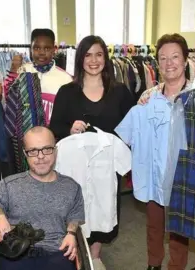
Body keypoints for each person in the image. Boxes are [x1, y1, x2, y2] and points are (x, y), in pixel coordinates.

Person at [136, 33, 195, 270]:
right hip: (156, 171)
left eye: (175, 57)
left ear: (186, 61)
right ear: (157, 63)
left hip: (184, 172)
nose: (169, 63)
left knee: (178, 229)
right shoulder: (148, 96)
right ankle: (153, 264)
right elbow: (138, 137)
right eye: (163, 58)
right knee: (154, 223)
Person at [50, 35, 134, 270]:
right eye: (88, 55)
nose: (94, 60)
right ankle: (74, 251)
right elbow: (53, 126)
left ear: (106, 59)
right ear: (80, 59)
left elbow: (131, 127)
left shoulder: (120, 92)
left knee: (103, 207)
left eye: (99, 54)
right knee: (74, 205)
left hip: (107, 165)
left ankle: (95, 256)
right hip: (75, 163)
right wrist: (69, 129)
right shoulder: (67, 92)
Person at [0, 126, 84, 270]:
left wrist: (71, 233)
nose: (41, 156)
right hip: (16, 252)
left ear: (55, 150)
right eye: (33, 151)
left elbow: (75, 214)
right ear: (25, 154)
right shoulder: (9, 184)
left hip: (56, 251)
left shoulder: (72, 186)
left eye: (47, 149)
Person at [4, 28, 72, 125]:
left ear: (54, 49)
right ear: (30, 49)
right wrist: (13, 72)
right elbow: (9, 100)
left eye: (47, 48)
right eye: (36, 48)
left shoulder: (65, 79)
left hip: (54, 136)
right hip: (25, 135)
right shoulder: (22, 71)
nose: (41, 52)